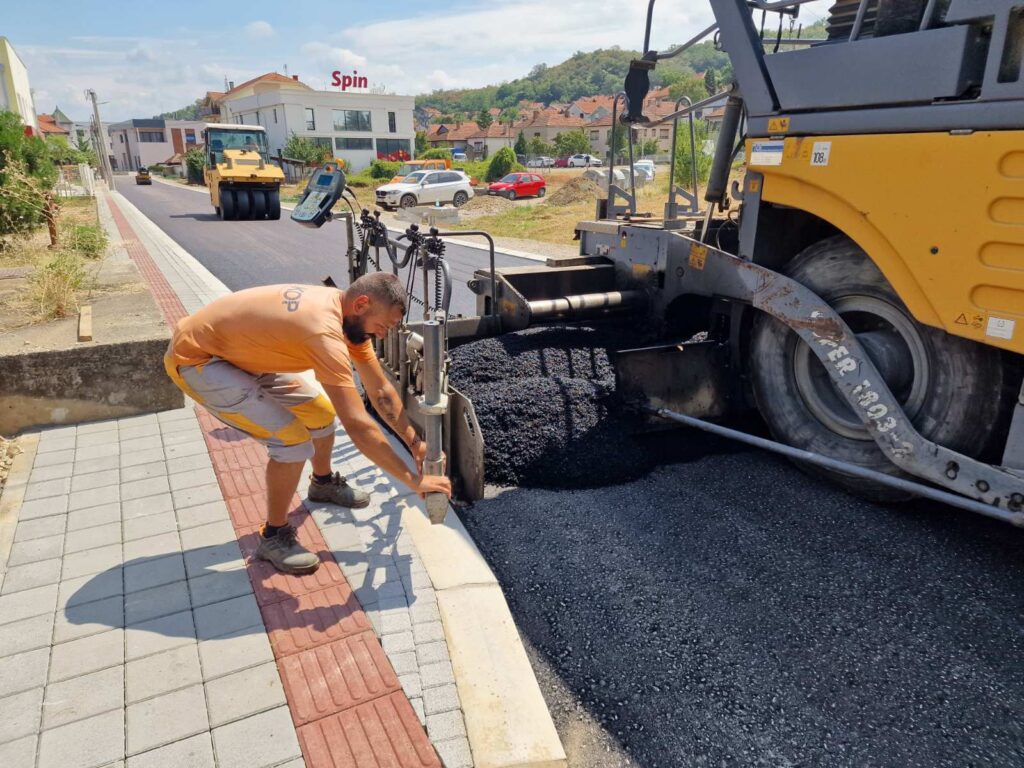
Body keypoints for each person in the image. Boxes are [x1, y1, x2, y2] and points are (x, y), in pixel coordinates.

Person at [163, 274, 451, 574]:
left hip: (240, 355)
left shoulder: (347, 317)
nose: (381, 334)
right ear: (362, 304)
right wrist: (412, 480)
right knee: (292, 441)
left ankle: (321, 484)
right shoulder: (323, 332)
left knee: (321, 415)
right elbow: (357, 424)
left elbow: (380, 392)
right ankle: (273, 535)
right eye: (382, 326)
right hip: (199, 360)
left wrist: (415, 444)